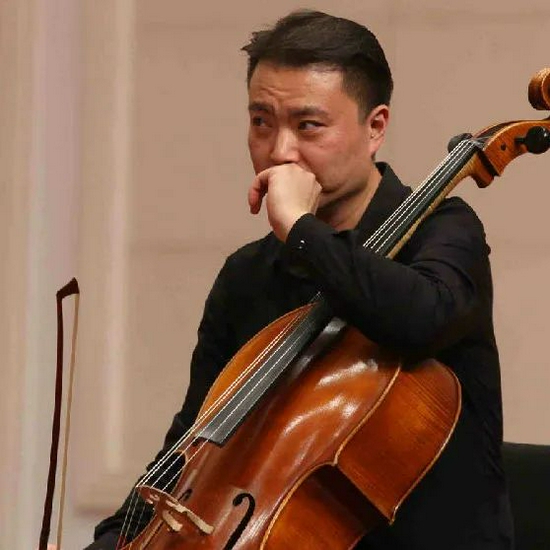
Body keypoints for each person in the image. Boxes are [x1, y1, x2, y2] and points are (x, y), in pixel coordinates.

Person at [86, 10, 514, 549]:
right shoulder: (247, 275)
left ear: (375, 127)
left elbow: (418, 320)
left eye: (308, 125)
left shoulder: (444, 232)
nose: (279, 151)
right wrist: (111, 542)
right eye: (261, 121)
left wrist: (301, 230)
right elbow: (189, 451)